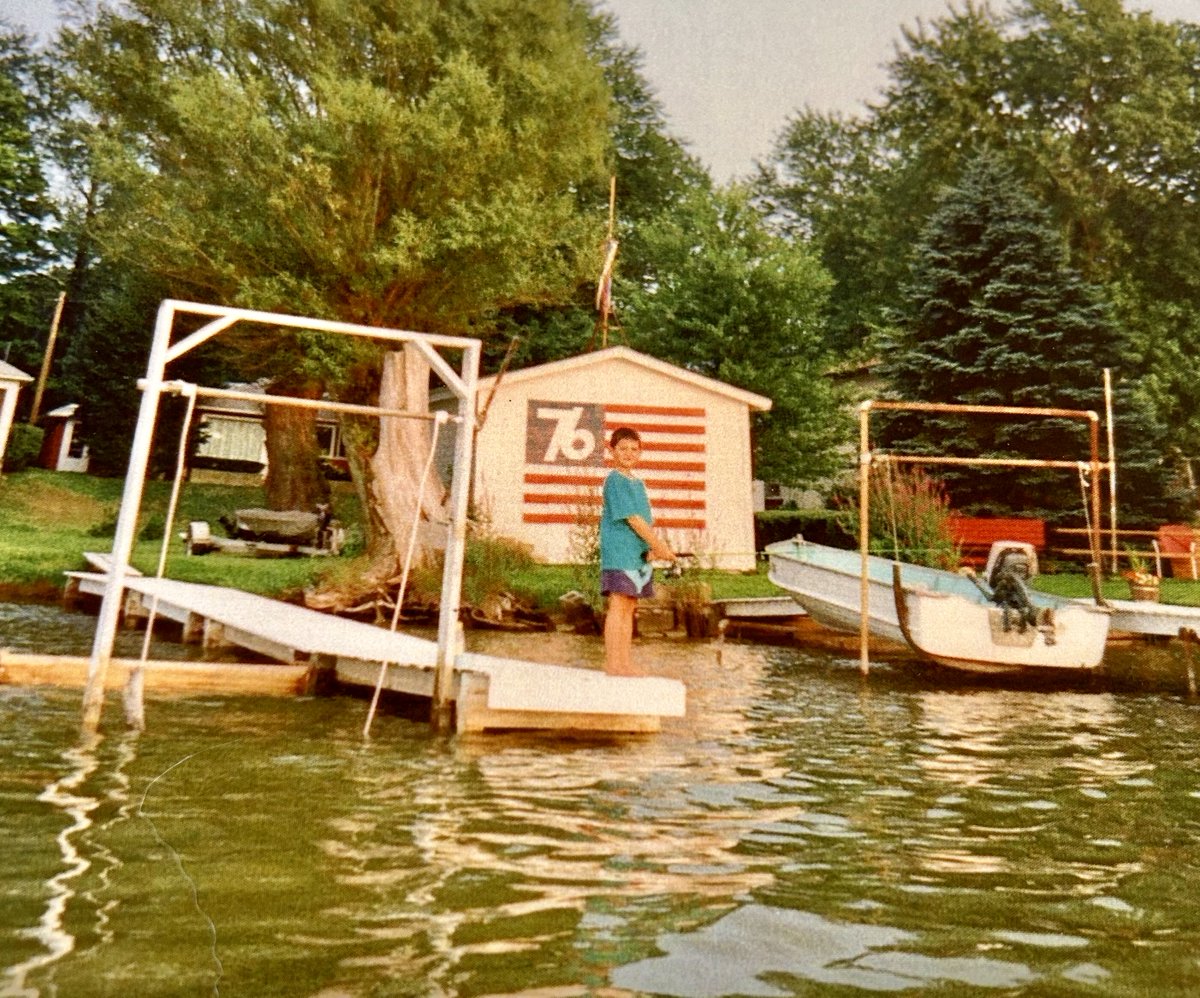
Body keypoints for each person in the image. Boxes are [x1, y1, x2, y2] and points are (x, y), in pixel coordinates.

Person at [599, 427, 676, 675]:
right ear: (612, 451)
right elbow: (632, 519)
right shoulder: (615, 480)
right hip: (619, 552)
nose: (629, 453)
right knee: (619, 604)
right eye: (623, 448)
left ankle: (625, 662)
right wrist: (659, 545)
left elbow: (644, 520)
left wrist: (651, 548)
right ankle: (613, 664)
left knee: (630, 606)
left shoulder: (638, 483)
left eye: (634, 449)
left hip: (637, 554)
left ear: (640, 453)